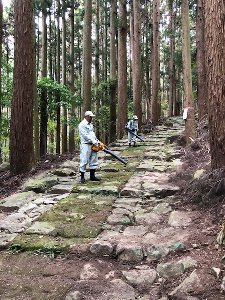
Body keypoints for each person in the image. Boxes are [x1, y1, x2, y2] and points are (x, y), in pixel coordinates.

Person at [78, 111, 100, 183]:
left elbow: (92, 134)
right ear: (86, 116)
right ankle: (82, 177)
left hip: (93, 144)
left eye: (92, 117)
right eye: (90, 117)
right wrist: (93, 141)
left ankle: (92, 176)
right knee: (84, 160)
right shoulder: (82, 125)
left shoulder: (91, 125)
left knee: (94, 159)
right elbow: (85, 135)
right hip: (85, 144)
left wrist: (97, 141)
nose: (91, 118)